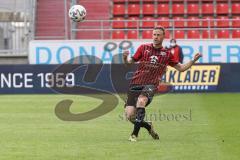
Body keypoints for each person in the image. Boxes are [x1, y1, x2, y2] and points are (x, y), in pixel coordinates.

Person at [123, 26, 202, 142]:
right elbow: (129, 63)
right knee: (130, 115)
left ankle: (134, 135)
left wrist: (193, 61)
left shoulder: (167, 54)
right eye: (154, 34)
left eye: (158, 35)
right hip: (136, 83)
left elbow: (181, 68)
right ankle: (148, 126)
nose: (156, 37)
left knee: (141, 101)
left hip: (151, 85)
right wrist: (125, 58)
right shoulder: (143, 48)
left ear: (163, 37)